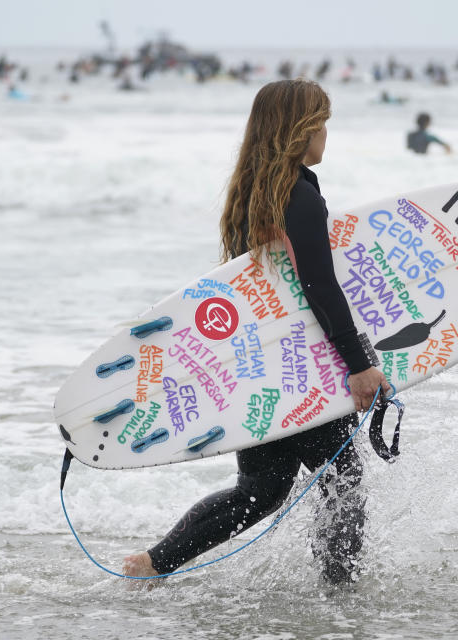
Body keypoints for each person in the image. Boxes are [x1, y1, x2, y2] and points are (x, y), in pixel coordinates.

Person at [123, 79, 392, 587]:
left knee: (262, 489)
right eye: (322, 123)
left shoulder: (256, 190)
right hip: (298, 368)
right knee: (344, 480)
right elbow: (318, 288)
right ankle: (341, 594)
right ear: (301, 129)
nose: (326, 135)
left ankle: (153, 564)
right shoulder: (300, 197)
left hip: (263, 361)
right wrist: (359, 366)